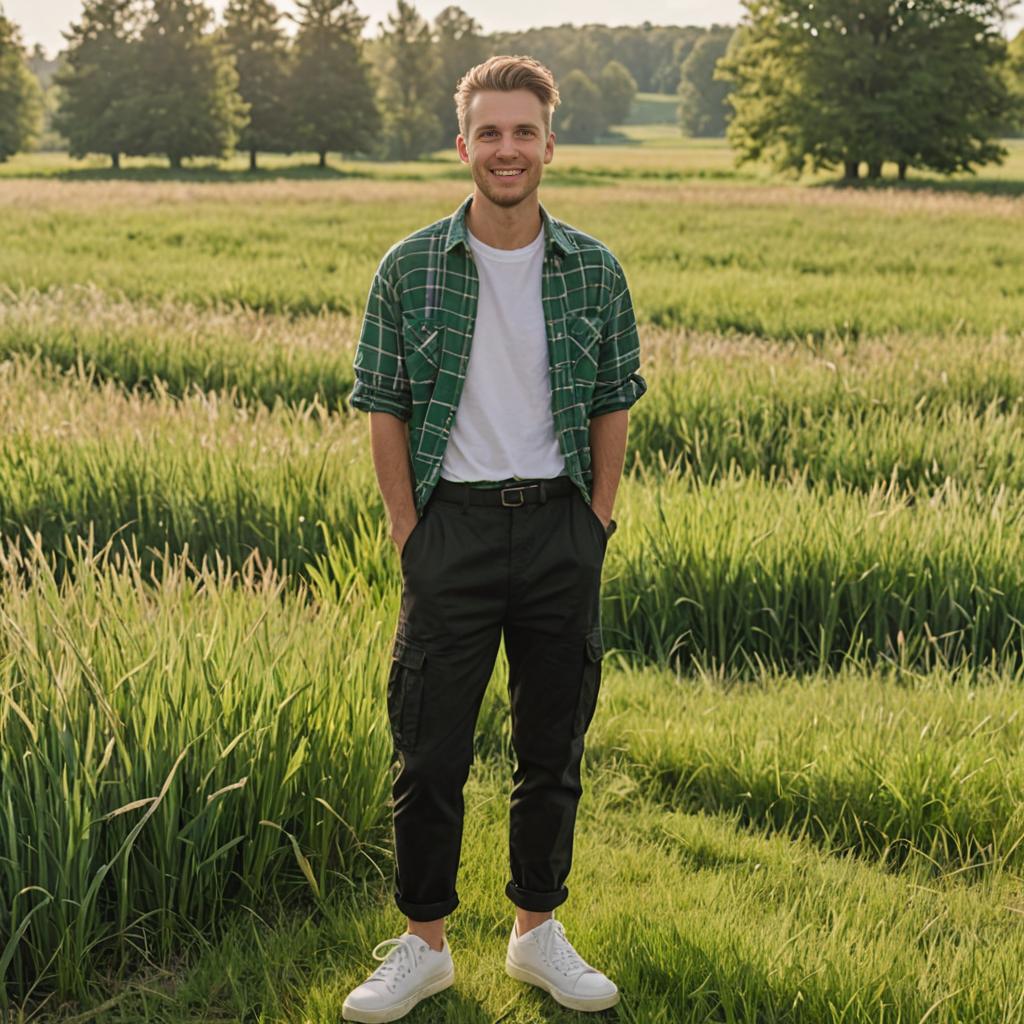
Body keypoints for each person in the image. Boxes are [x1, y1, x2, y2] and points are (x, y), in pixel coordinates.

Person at [342, 54, 648, 1022]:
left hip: (559, 525)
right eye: (490, 132)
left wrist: (595, 519)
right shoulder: (409, 267)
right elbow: (383, 406)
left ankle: (534, 932)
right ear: (462, 143)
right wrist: (408, 533)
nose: (506, 148)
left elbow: (612, 400)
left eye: (524, 132)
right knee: (428, 747)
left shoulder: (593, 268)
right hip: (453, 531)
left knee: (550, 742)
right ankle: (423, 944)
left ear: (549, 144)